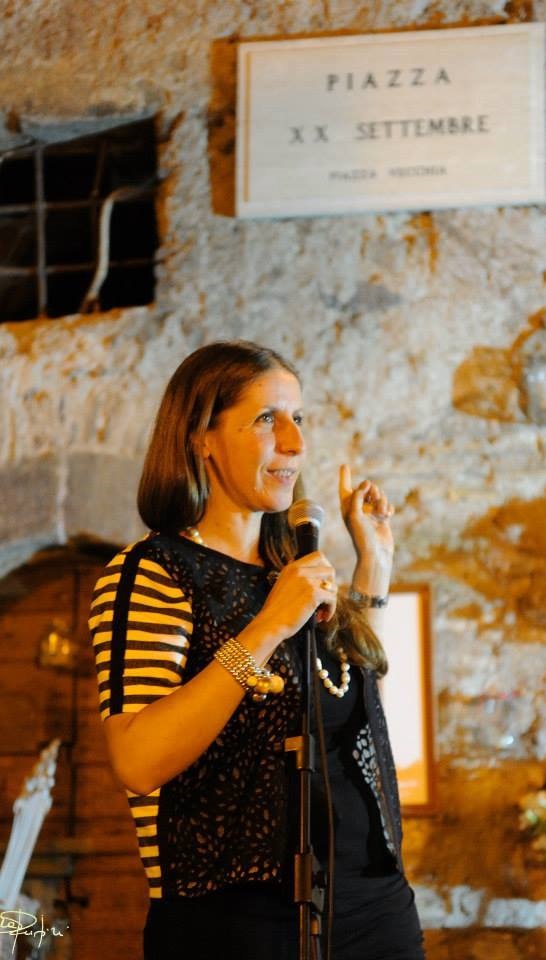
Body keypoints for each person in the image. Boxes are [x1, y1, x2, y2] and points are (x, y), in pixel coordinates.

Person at [89, 340, 425, 960]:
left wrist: (374, 567)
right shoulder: (153, 571)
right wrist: (268, 626)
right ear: (201, 437)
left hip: (373, 904)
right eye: (268, 419)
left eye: (299, 418)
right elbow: (137, 761)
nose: (295, 443)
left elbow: (351, 697)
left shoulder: (289, 569)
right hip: (238, 921)